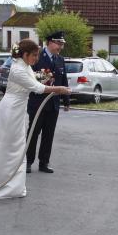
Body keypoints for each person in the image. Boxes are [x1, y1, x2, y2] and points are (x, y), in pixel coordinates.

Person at [0, 39, 71, 198]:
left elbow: (32, 81)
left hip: (18, 110)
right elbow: (37, 88)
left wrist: (43, 78)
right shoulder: (17, 69)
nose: (36, 59)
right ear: (25, 54)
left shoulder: (24, 65)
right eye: (34, 55)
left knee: (14, 147)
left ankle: (8, 184)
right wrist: (58, 89)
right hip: (11, 110)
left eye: (37, 55)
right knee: (10, 147)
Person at [26, 31, 70, 173]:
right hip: (37, 103)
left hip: (53, 104)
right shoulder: (36, 58)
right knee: (33, 133)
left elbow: (63, 80)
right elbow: (30, 80)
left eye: (62, 44)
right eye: (58, 44)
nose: (60, 47)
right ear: (50, 42)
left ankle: (44, 162)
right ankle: (27, 162)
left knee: (48, 135)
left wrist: (66, 101)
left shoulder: (60, 59)